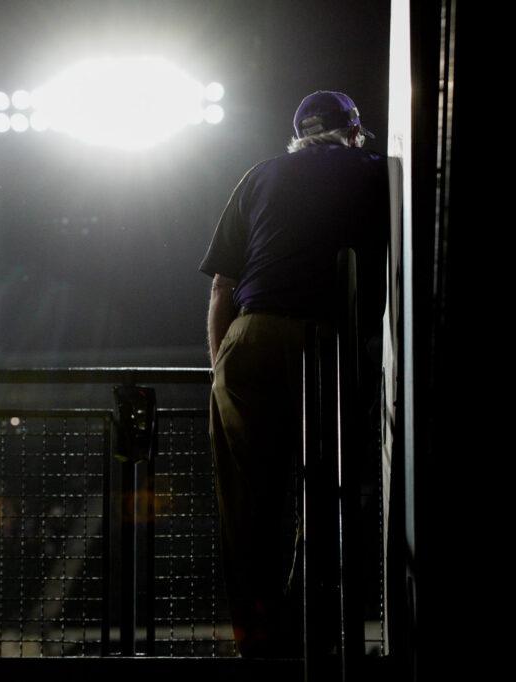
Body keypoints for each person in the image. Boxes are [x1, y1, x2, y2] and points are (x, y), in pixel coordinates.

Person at [199, 91, 388, 657]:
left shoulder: (259, 175)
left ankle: (259, 648)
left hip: (248, 336)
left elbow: (220, 288)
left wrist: (222, 368)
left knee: (246, 509)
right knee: (329, 495)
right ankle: (317, 639)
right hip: (325, 341)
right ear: (354, 133)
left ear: (297, 136)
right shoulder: (373, 171)